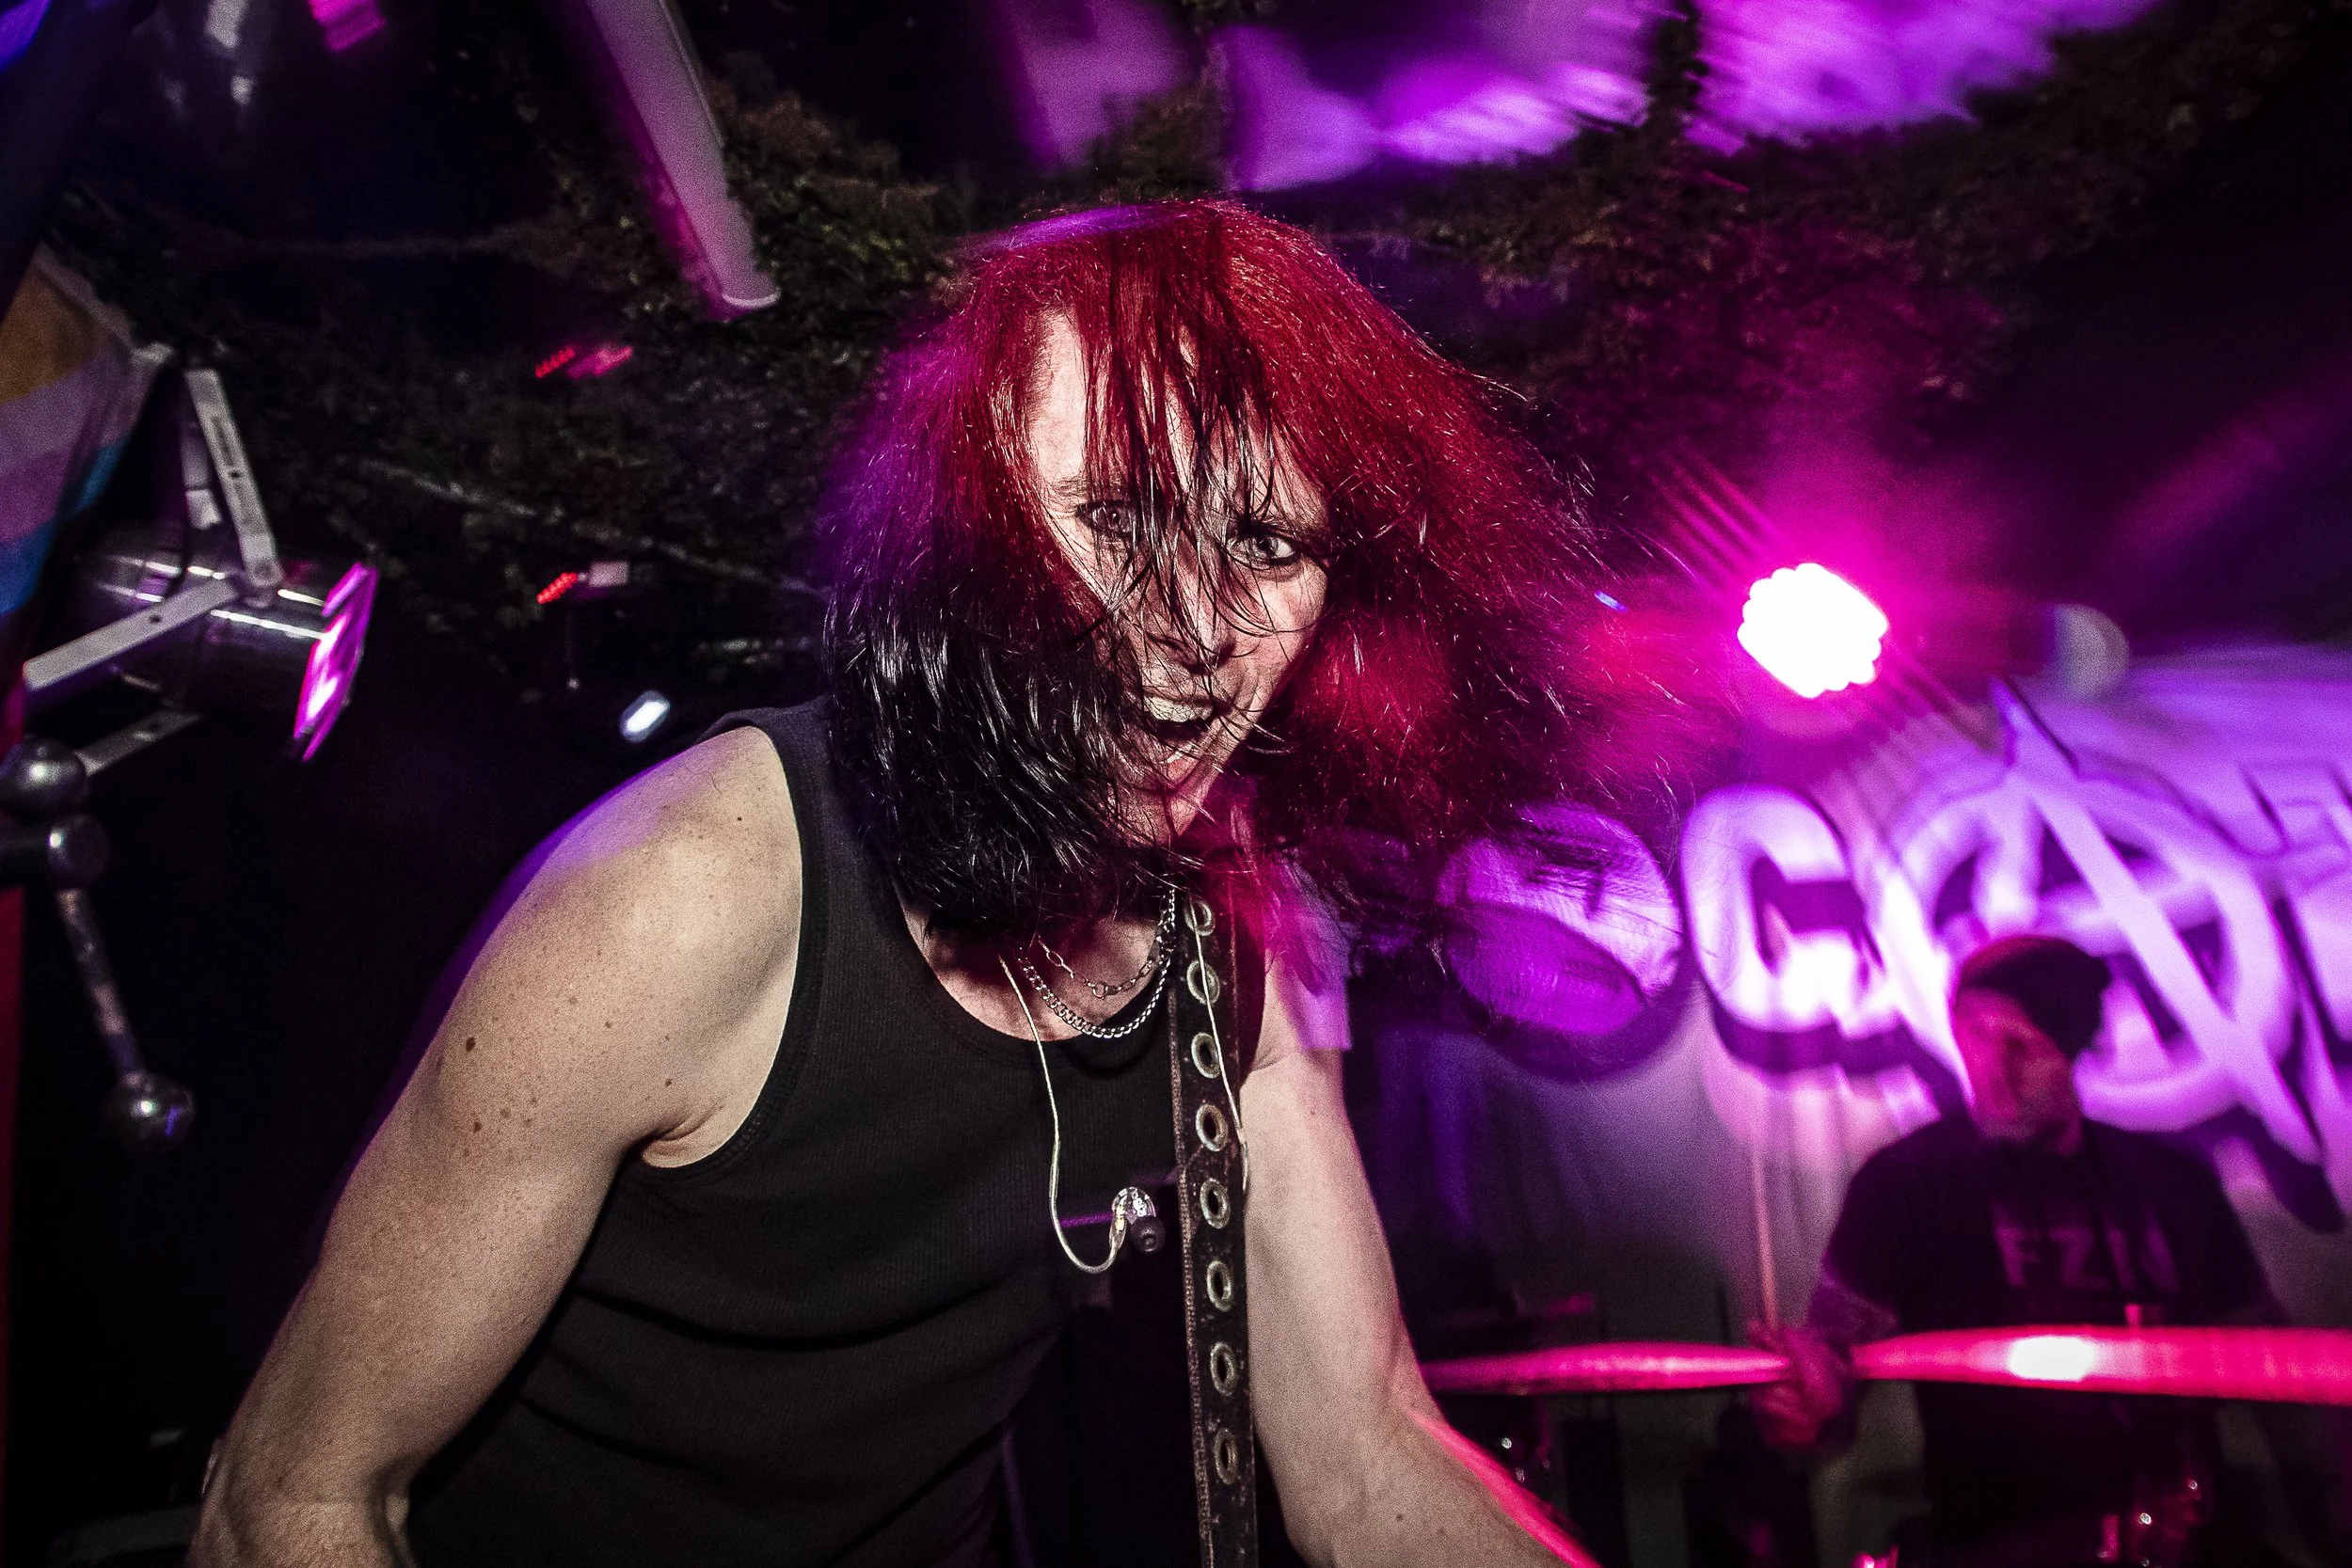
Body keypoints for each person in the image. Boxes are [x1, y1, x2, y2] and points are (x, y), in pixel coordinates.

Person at [190, 200, 1608, 1567]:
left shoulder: (1245, 931)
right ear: (963, 539)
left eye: (1266, 541)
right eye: (1116, 519)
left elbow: (1365, 1457)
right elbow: (285, 1501)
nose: (1199, 627)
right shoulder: (680, 898)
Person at [1754, 933, 2347, 1567]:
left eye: (2023, 1046)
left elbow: (2280, 1386)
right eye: (1975, 1034)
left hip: (2186, 1541)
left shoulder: (2173, 1185)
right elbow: (1829, 1387)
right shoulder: (1907, 1184)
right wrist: (1806, 1406)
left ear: (2072, 1049)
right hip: (2003, 1548)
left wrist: (2336, 1515)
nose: (1993, 1070)